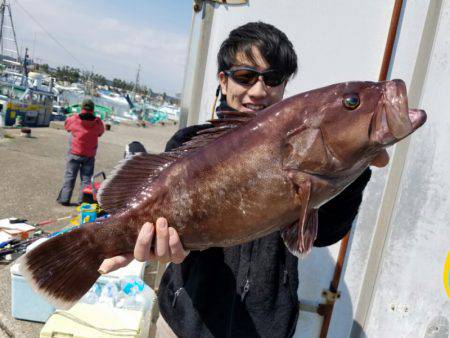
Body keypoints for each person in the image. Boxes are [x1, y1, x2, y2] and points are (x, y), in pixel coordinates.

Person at [99, 22, 389, 337]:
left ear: (283, 86)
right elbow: (166, 232)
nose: (258, 90)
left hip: (266, 328)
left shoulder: (306, 150)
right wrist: (153, 244)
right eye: (245, 76)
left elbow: (325, 235)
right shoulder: (188, 143)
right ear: (223, 81)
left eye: (272, 78)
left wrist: (356, 166)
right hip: (186, 322)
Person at [57, 98, 105, 206]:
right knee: (86, 179)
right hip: (89, 156)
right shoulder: (97, 122)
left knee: (69, 176)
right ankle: (83, 200)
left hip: (74, 153)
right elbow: (101, 132)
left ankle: (64, 199)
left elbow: (67, 127)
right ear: (93, 109)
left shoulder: (74, 119)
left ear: (82, 108)